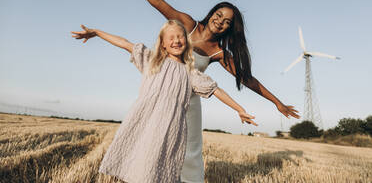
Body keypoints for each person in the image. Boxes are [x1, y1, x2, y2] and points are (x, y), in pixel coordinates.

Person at [102, 0, 300, 183]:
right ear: (212, 13)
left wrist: (276, 102)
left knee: (190, 153)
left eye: (227, 21)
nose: (220, 21)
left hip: (190, 103)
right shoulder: (188, 24)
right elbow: (158, 2)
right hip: (163, 93)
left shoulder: (220, 53)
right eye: (219, 15)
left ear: (230, 28)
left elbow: (247, 79)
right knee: (149, 138)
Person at [71, 20, 257, 183]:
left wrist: (239, 109)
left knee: (156, 170)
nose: (176, 41)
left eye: (180, 37)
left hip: (170, 129)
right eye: (171, 38)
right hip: (144, 121)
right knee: (134, 163)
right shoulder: (152, 60)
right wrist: (96, 32)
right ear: (163, 44)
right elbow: (125, 43)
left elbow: (216, 90)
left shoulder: (190, 73)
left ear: (186, 41)